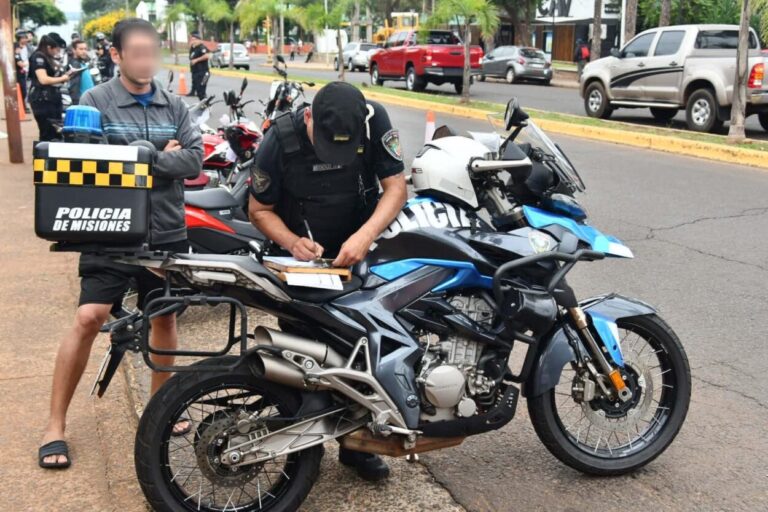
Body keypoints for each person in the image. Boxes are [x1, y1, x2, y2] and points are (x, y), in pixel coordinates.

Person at [38, 17, 203, 469]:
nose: (147, 61)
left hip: (166, 232)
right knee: (88, 318)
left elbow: (194, 160)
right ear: (116, 55)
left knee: (165, 321)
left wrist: (138, 157)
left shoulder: (174, 103)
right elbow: (84, 163)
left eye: (153, 52)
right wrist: (155, 155)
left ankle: (160, 409)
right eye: (138, 53)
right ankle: (55, 426)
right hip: (108, 232)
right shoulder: (95, 101)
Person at [248, 81, 407, 481]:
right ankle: (306, 449)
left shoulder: (375, 122)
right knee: (307, 356)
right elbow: (259, 208)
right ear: (308, 119)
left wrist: (365, 235)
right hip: (301, 260)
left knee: (365, 349)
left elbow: (395, 188)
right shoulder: (279, 138)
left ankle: (356, 445)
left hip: (357, 249)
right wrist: (291, 242)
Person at [28, 33, 71, 141]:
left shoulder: (48, 57)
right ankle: (43, 155)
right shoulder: (38, 57)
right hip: (42, 99)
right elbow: (43, 79)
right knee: (47, 131)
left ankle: (51, 155)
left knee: (56, 130)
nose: (57, 52)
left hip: (52, 97)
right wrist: (63, 78)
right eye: (56, 49)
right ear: (49, 47)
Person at [67, 39, 90, 105]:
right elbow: (74, 88)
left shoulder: (81, 62)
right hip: (83, 103)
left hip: (88, 101)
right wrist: (77, 105)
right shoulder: (75, 65)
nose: (84, 51)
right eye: (81, 49)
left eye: (85, 49)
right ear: (74, 50)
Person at [188, 31, 210, 100]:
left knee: (201, 91)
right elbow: (191, 57)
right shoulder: (193, 48)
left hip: (203, 72)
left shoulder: (202, 47)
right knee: (198, 91)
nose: (193, 41)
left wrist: (196, 60)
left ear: (199, 40)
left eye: (194, 40)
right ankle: (202, 105)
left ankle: (205, 106)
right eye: (192, 40)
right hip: (196, 72)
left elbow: (207, 56)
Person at [14, 30, 30, 112]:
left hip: (26, 71)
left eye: (26, 38)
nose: (25, 40)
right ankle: (21, 106)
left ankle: (23, 106)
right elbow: (18, 60)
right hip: (19, 72)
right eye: (23, 38)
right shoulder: (15, 46)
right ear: (19, 39)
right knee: (22, 89)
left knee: (25, 89)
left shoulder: (27, 47)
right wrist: (23, 63)